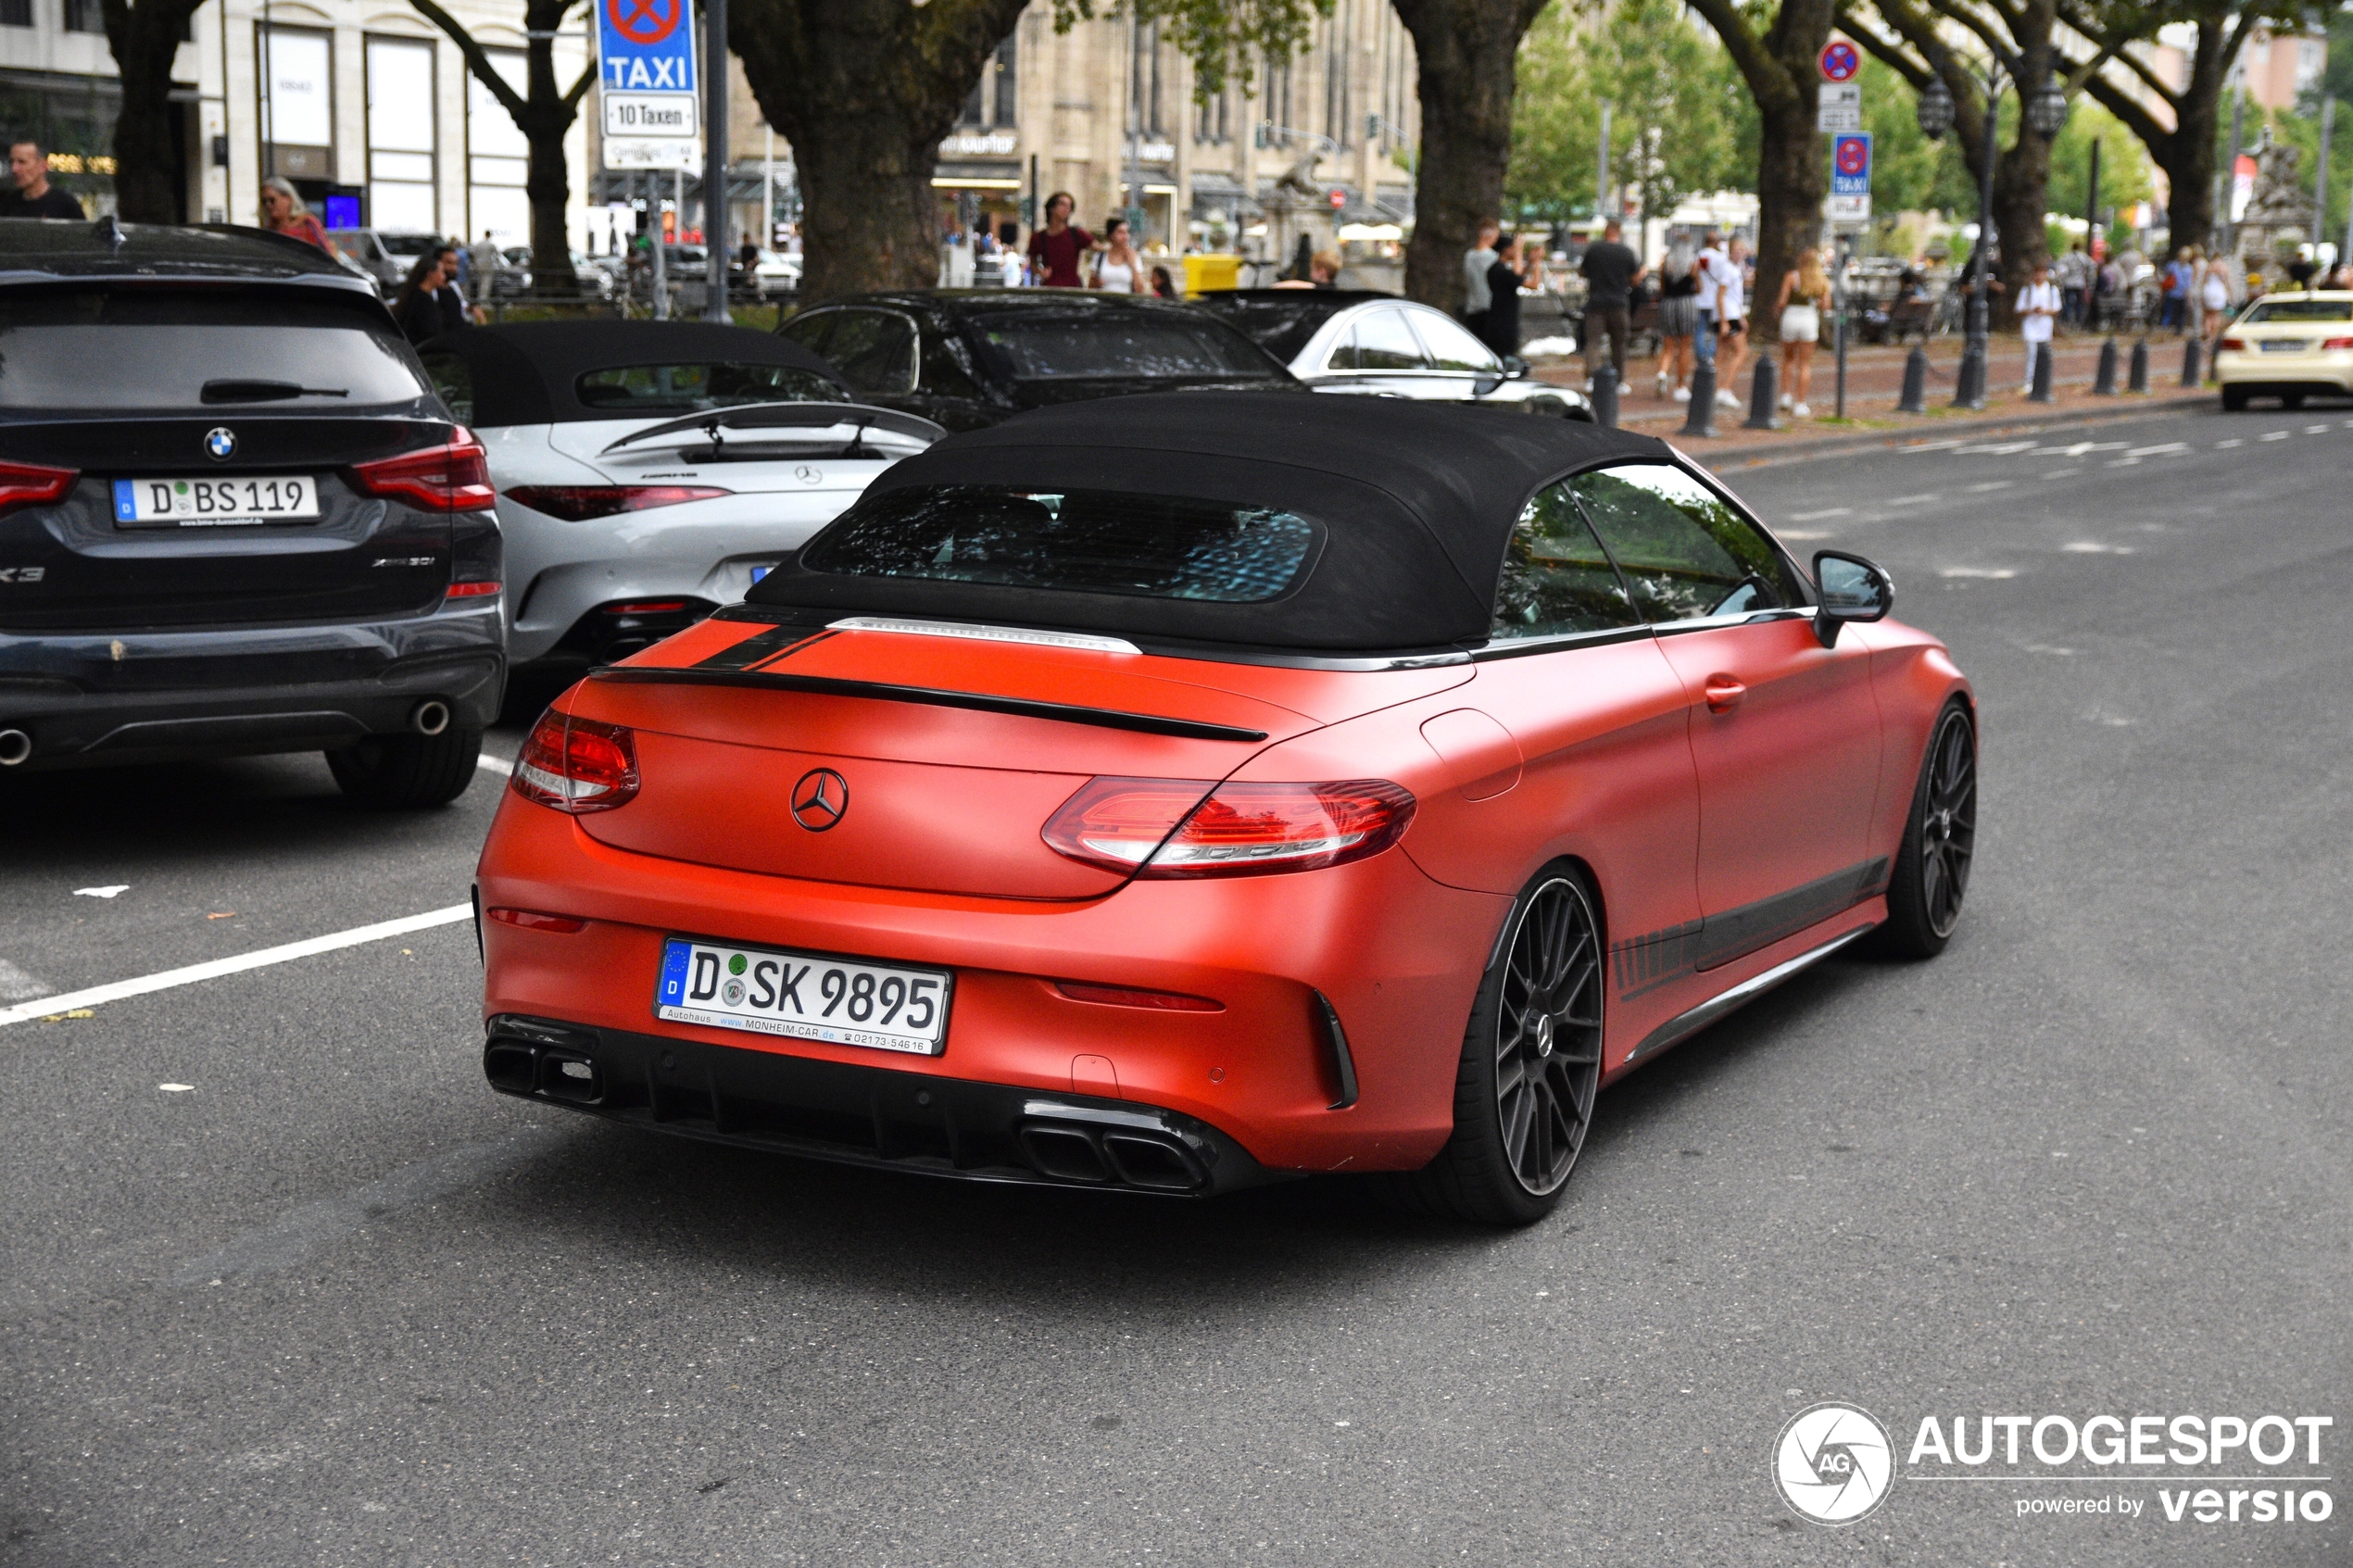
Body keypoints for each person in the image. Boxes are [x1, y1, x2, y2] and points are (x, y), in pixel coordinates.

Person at [1577, 218, 1645, 391]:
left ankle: (1591, 379)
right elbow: (1635, 279)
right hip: (1619, 302)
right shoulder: (1627, 252)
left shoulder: (1594, 250)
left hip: (1596, 301)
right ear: (1618, 232)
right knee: (1619, 343)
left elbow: (1582, 272)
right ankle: (1619, 380)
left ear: (1606, 232)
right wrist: (1643, 272)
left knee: (1593, 342)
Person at [1773, 245, 1830, 419]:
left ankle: (1785, 395)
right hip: (1808, 319)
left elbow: (1782, 300)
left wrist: (1776, 309)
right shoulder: (1822, 280)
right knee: (1804, 363)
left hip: (1791, 316)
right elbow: (1826, 305)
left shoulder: (1791, 277)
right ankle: (1800, 403)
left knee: (1788, 358)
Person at [1477, 232, 1536, 358]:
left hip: (1497, 319)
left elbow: (1517, 277)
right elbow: (1525, 280)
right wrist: (1534, 261)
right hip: (1504, 323)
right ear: (1506, 250)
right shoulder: (1501, 271)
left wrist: (1529, 262)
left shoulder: (1496, 269)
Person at [1655, 238, 1700, 401]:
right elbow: (1698, 289)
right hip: (1686, 303)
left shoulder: (1666, 264)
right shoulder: (1693, 265)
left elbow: (1662, 288)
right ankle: (1680, 386)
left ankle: (1662, 372)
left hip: (1668, 304)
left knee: (1668, 346)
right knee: (1685, 346)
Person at [2, 137, 87, 219]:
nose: (14, 169)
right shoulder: (7, 204)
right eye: (11, 162)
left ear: (42, 166)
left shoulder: (65, 205)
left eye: (22, 162)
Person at [1025, 192, 1092, 288]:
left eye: (1069, 206)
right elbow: (1032, 262)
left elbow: (1097, 246)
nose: (1066, 209)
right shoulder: (1038, 237)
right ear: (1051, 208)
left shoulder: (1077, 234)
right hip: (1050, 288)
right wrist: (1040, 271)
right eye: (1062, 204)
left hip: (1072, 289)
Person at [1714, 236, 1751, 408]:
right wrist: (1724, 321)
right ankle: (1725, 388)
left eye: (1742, 250)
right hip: (1728, 315)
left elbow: (1736, 296)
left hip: (1733, 314)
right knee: (1741, 352)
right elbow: (1721, 296)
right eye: (1736, 250)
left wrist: (1742, 316)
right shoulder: (1728, 270)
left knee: (1722, 354)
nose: (1739, 253)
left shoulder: (1736, 269)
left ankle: (1716, 389)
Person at [258, 176, 335, 253]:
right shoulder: (268, 232)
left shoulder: (307, 223)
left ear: (288, 199)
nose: (268, 205)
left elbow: (327, 253)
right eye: (264, 201)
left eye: (272, 200)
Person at [1692, 229, 1732, 374]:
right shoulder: (1721, 257)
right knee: (1713, 330)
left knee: (1700, 329)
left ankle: (1702, 354)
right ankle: (1710, 354)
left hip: (1700, 298)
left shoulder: (1699, 255)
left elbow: (1694, 272)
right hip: (1715, 298)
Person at [2017, 259, 2059, 393]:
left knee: (2043, 353)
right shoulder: (2027, 290)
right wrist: (2031, 310)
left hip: (2045, 325)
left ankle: (2042, 380)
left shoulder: (2052, 290)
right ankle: (2029, 381)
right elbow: (2019, 308)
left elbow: (2056, 309)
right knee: (2031, 352)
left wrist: (2045, 311)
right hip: (2030, 324)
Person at [391, 250, 449, 346]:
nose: (444, 277)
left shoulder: (414, 295)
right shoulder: (423, 301)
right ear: (430, 273)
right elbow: (429, 332)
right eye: (442, 272)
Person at [1090, 217, 1147, 295]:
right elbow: (1090, 287)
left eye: (1126, 232)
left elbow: (1140, 289)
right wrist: (1096, 282)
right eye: (1120, 232)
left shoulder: (1133, 256)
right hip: (1104, 302)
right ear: (1111, 235)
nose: (1125, 236)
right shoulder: (1100, 257)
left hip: (1125, 303)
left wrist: (1133, 265)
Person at [1462, 219, 1500, 327]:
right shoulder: (1493, 257)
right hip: (1488, 307)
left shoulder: (1469, 255)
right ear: (1490, 234)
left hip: (1471, 308)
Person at [2057, 240, 2090, 328]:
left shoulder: (2067, 257)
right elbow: (2092, 265)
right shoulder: (2084, 257)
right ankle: (2078, 322)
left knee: (2068, 303)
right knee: (2079, 303)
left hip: (2069, 283)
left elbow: (2061, 268)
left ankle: (2068, 321)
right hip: (2080, 283)